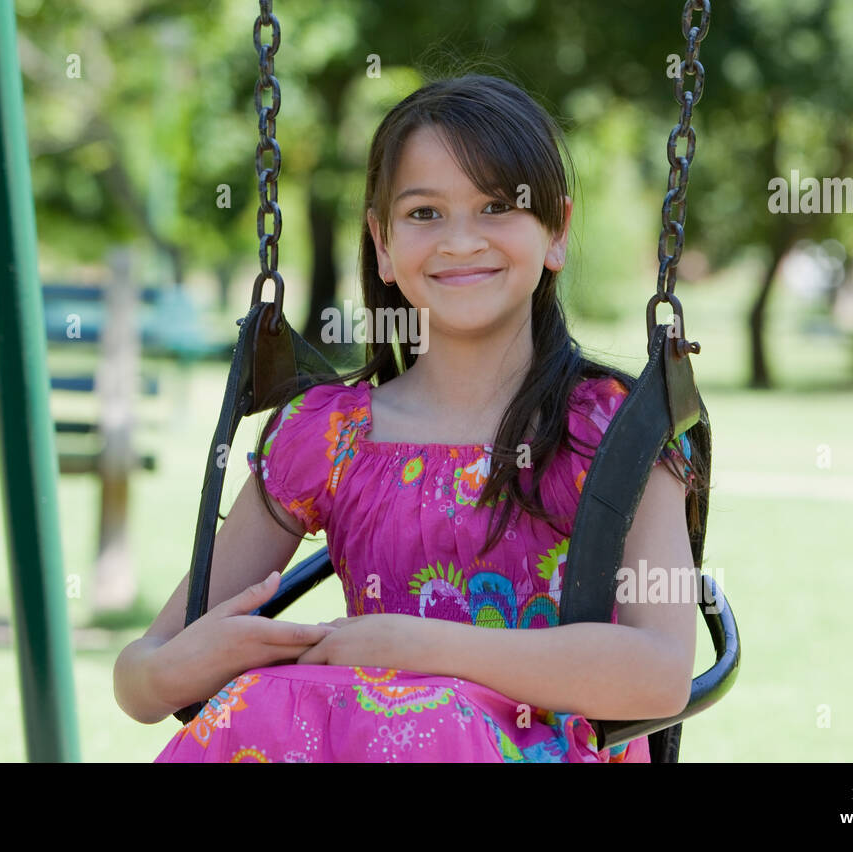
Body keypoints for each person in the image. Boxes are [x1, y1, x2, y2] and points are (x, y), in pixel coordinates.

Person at [114, 73, 706, 762]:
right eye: (425, 213)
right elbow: (141, 677)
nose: (460, 241)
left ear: (556, 232)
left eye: (495, 206)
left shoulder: (613, 433)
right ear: (383, 243)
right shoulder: (329, 437)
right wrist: (185, 664)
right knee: (265, 706)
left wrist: (416, 647)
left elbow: (660, 673)